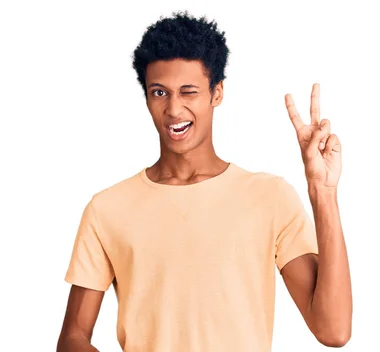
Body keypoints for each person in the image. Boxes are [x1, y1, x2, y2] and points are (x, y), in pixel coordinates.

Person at [56, 11, 352, 352]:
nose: (174, 109)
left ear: (217, 93)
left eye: (188, 91)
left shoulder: (269, 197)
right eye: (159, 92)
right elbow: (73, 338)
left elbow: (334, 330)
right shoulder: (107, 209)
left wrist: (323, 191)